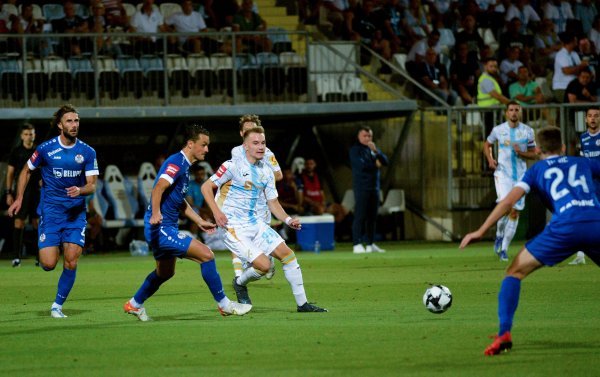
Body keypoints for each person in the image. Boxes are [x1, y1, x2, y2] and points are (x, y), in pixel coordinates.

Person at [460, 126, 600, 356]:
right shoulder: (582, 162)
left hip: (564, 227)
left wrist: (481, 230)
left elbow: (507, 202)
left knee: (514, 272)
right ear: (563, 148)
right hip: (596, 222)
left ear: (537, 151)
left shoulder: (536, 170)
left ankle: (504, 332)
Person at [124, 125, 252, 321]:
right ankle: (225, 305)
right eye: (204, 144)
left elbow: (179, 201)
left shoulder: (184, 167)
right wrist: (156, 213)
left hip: (165, 227)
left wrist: (200, 220)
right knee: (206, 255)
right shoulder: (176, 162)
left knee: (165, 272)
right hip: (161, 228)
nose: (207, 149)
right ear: (191, 144)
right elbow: (158, 187)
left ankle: (134, 304)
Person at [201, 126, 327, 313]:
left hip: (254, 222)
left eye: (263, 143)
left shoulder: (267, 172)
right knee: (265, 266)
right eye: (255, 143)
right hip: (232, 225)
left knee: (288, 255)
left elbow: (273, 202)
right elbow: (206, 187)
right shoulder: (232, 165)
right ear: (245, 146)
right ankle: (240, 283)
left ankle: (303, 304)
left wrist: (287, 220)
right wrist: (216, 212)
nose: (260, 147)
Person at [7, 104, 99, 318]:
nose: (74, 125)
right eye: (69, 121)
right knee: (49, 263)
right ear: (60, 125)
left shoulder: (87, 152)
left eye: (76, 121)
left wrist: (81, 190)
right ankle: (46, 250)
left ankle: (57, 305)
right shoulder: (45, 149)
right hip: (51, 213)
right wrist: (19, 198)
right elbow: (25, 171)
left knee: (71, 259)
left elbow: (92, 184)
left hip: (76, 214)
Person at [228, 114, 282, 280]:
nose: (250, 132)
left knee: (261, 245)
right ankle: (238, 276)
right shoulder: (236, 151)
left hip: (260, 205)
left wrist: (261, 176)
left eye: (253, 129)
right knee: (235, 236)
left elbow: (278, 175)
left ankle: (268, 260)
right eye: (247, 130)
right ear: (241, 134)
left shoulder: (267, 153)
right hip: (241, 204)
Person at [483, 101, 537, 262]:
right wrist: (490, 159)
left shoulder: (528, 131)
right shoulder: (498, 130)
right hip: (503, 175)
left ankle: (504, 249)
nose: (514, 113)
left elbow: (534, 153)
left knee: (515, 212)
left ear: (520, 112)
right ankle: (499, 235)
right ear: (506, 113)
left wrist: (522, 153)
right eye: (511, 110)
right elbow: (487, 144)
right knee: (505, 208)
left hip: (521, 177)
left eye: (516, 110)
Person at [349, 126, 389, 254]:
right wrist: (375, 165)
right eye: (364, 136)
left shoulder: (372, 150)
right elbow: (361, 166)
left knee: (372, 217)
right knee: (360, 216)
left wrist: (377, 152)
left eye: (369, 136)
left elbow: (386, 162)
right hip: (362, 188)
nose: (367, 138)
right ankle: (357, 244)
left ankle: (370, 244)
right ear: (359, 137)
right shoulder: (355, 150)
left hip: (374, 188)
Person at [5, 123, 40, 267]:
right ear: (21, 136)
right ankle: (16, 257)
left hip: (36, 193)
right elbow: (10, 173)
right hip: (21, 192)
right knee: (19, 222)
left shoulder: (38, 151)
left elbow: (44, 171)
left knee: (37, 223)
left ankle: (40, 257)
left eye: (31, 134)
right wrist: (9, 193)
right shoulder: (16, 152)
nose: (28, 137)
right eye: (26, 134)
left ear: (34, 135)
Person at [569, 107, 600, 265]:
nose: (593, 118)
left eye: (596, 116)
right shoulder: (584, 138)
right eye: (590, 116)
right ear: (586, 119)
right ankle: (581, 255)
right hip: (590, 184)